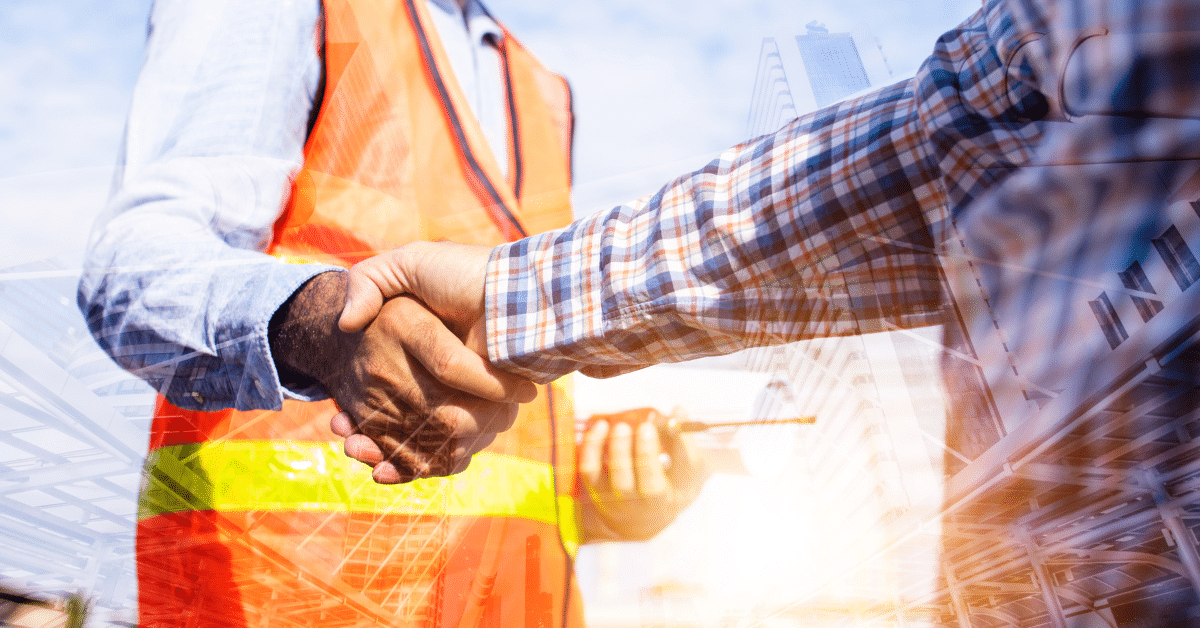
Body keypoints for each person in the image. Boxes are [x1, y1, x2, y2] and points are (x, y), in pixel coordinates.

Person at [330, 0, 1200, 624]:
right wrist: (603, 501)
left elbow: (955, 148)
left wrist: (517, 304)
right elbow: (964, 152)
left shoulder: (537, 91)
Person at [77, 0, 706, 625]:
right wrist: (322, 324)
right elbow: (129, 271)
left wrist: (600, 496)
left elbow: (493, 459)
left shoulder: (542, 90)